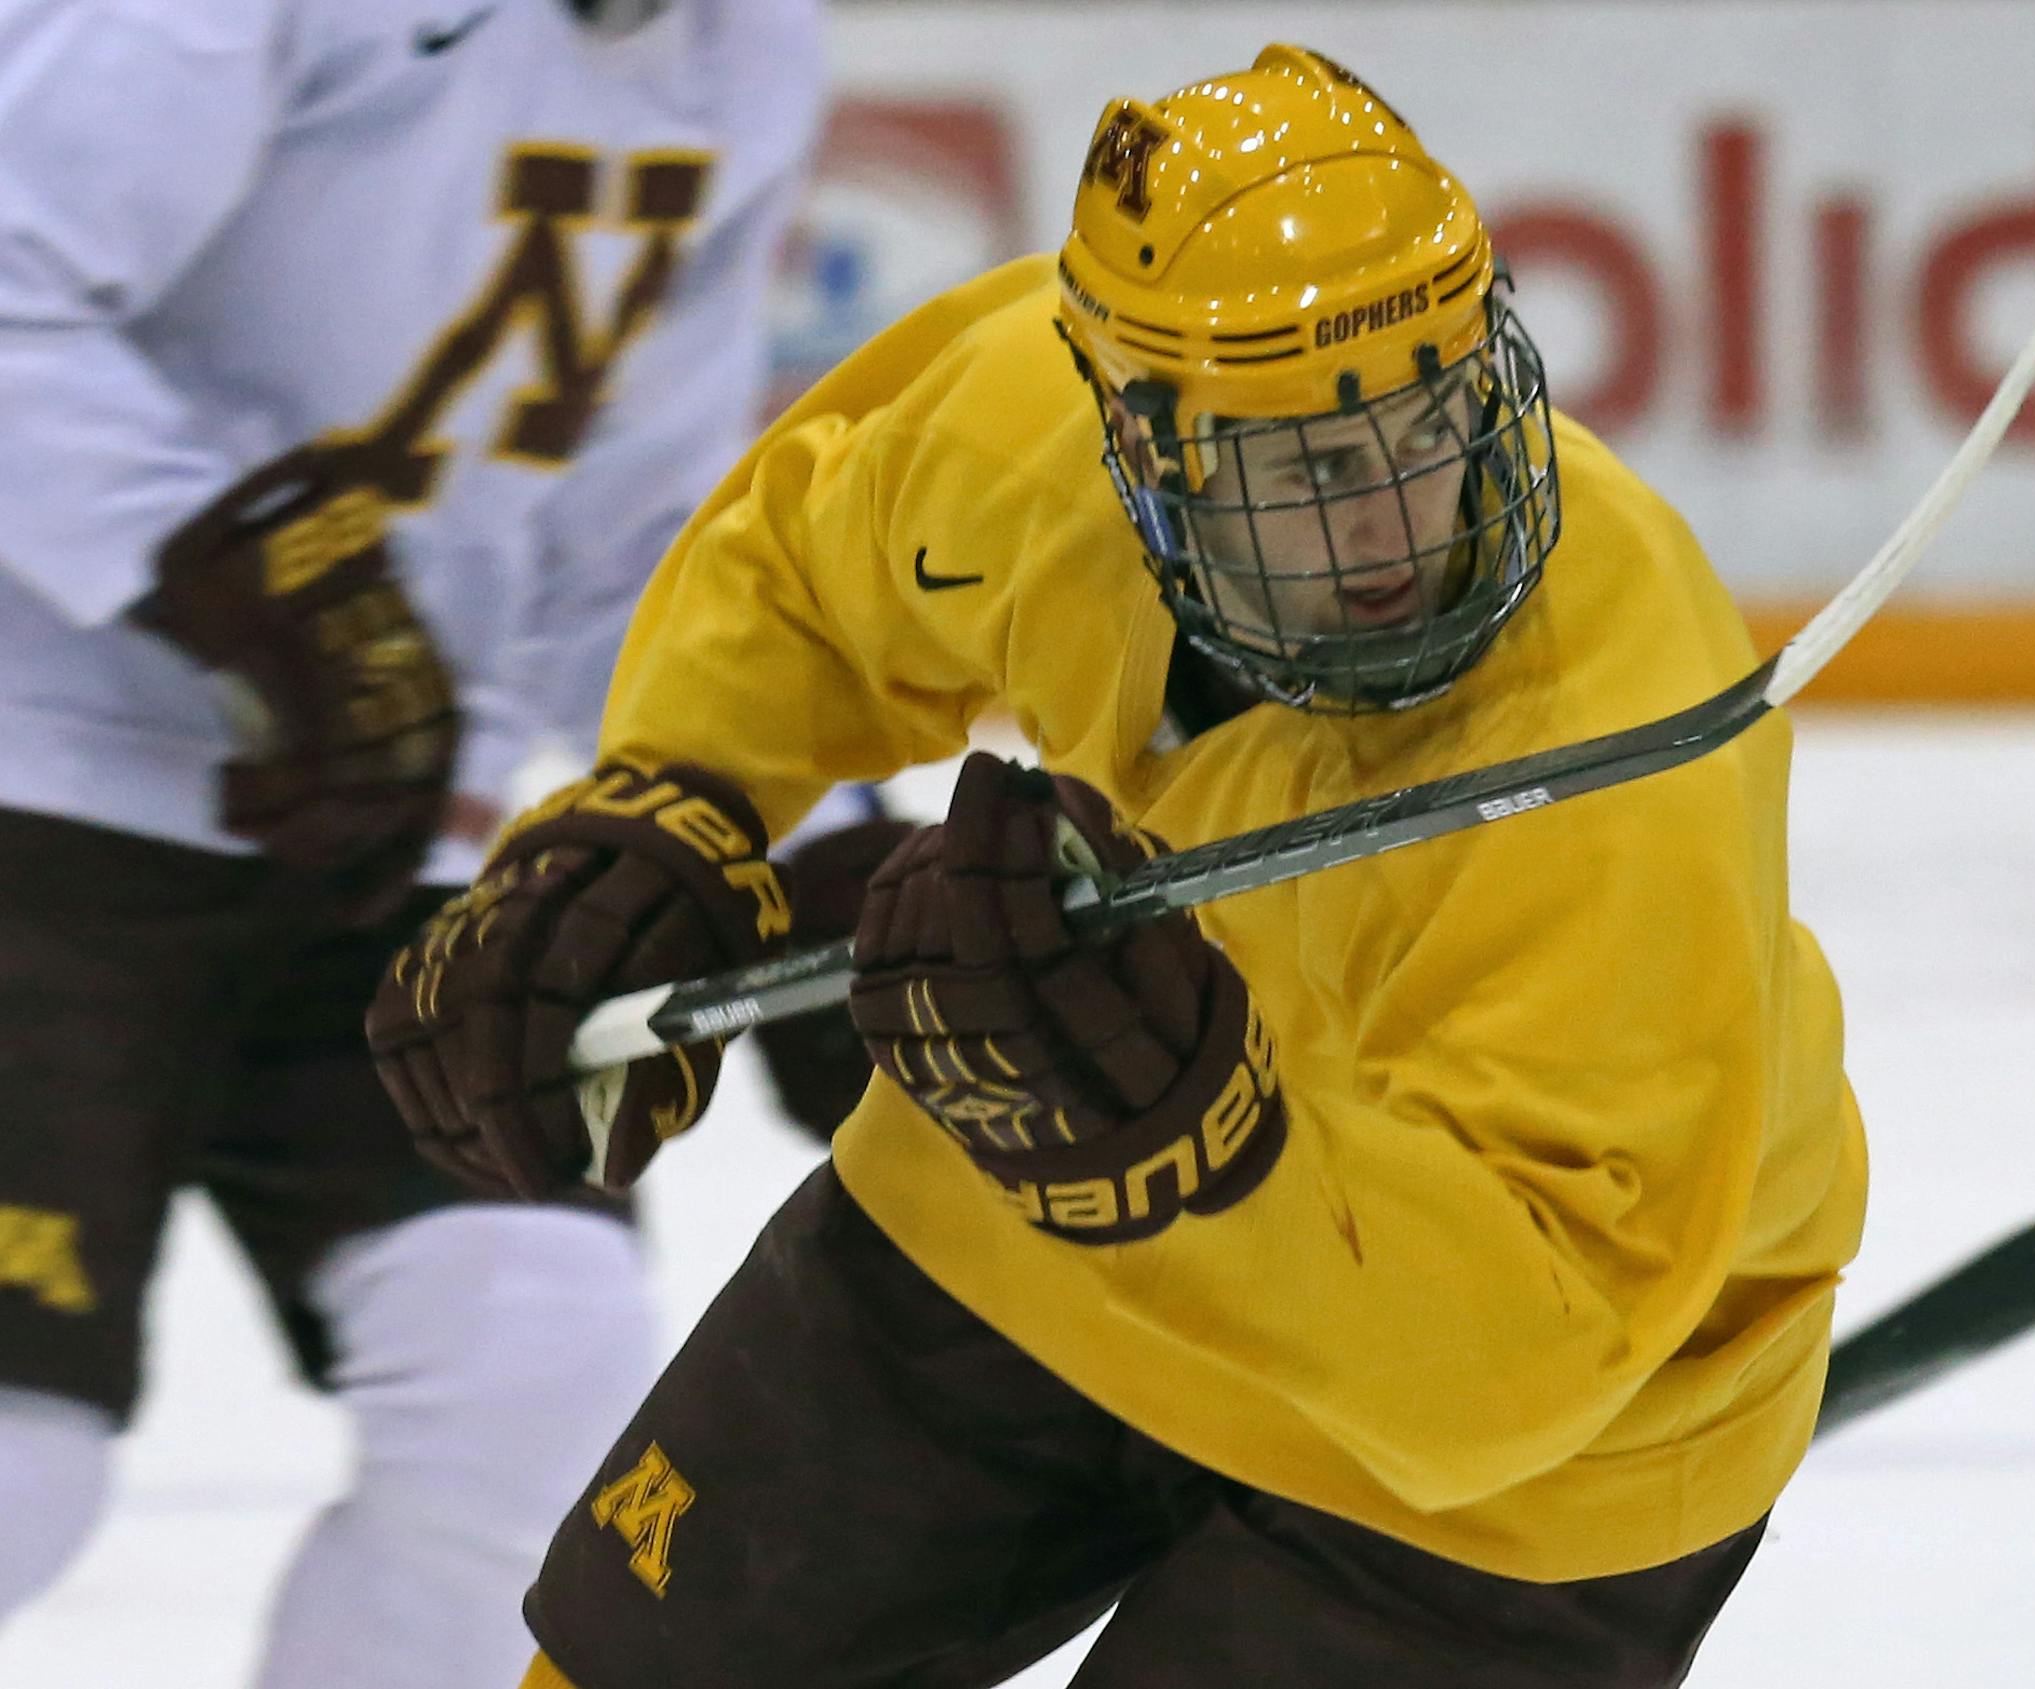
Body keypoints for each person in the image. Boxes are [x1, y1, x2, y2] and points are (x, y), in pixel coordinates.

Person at [368, 43, 1869, 1688]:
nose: (1395, 529)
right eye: (1306, 473)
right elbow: (805, 577)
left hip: (1535, 1444)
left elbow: (1523, 1355)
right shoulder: (1035, 446)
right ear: (1148, 452)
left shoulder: (1622, 729)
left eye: (1429, 428)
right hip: (1066, 1178)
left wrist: (1195, 1152)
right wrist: (672, 807)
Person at [0, 3, 880, 1684]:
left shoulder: (746, 46)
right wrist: (236, 570)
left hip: (389, 831)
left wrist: (807, 839)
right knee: (14, 1461)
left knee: (533, 1380)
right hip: (38, 793)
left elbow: (636, 528)